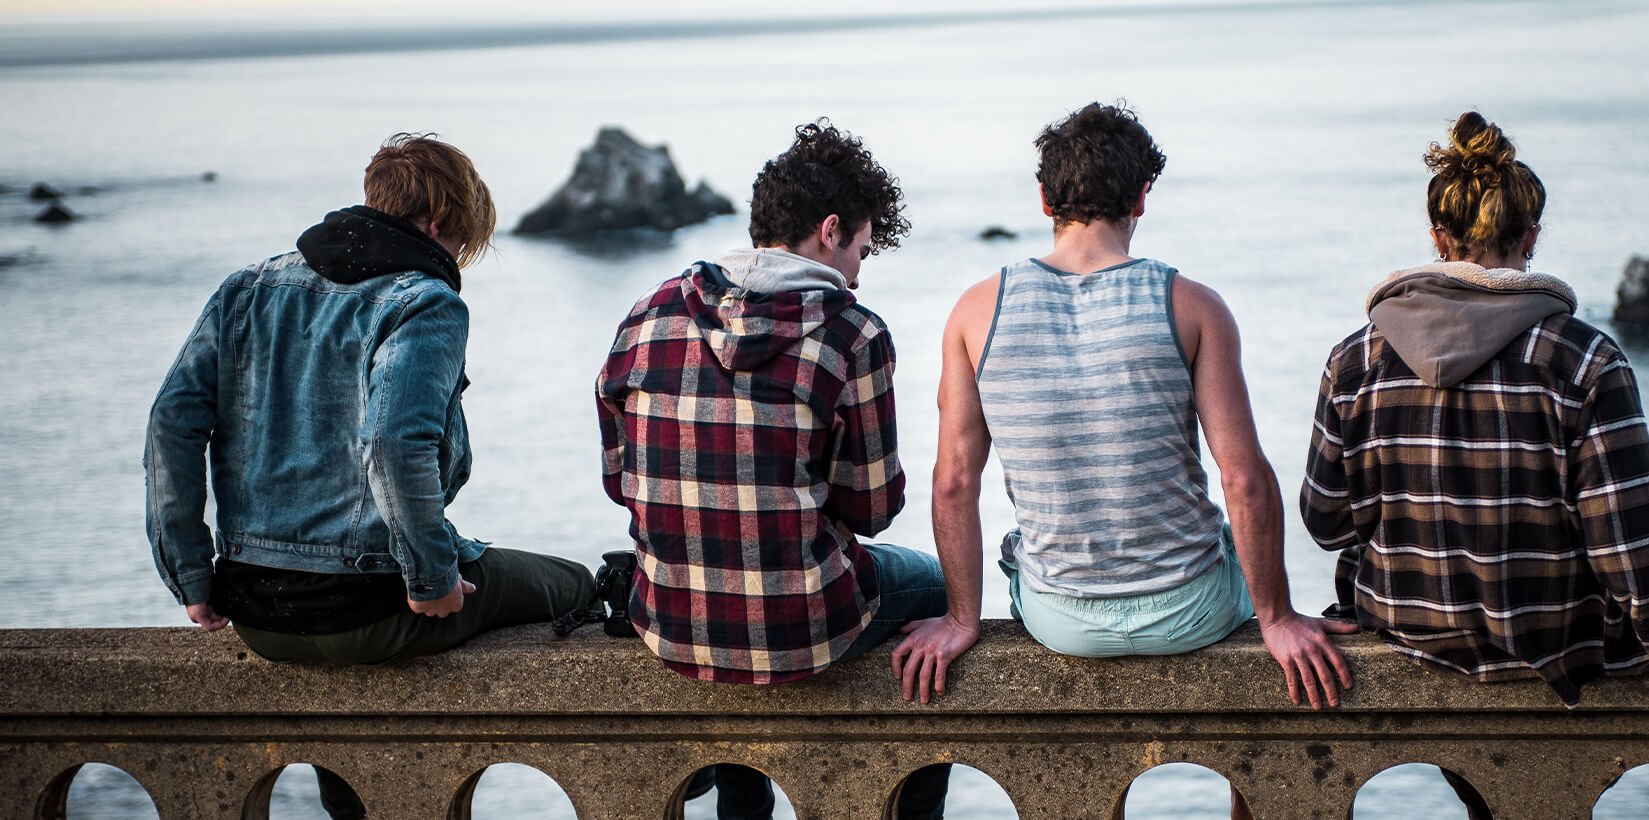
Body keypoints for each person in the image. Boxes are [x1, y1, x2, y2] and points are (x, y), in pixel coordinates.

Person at [146, 133, 596, 818]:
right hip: (370, 605)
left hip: (257, 614)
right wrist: (432, 578)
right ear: (441, 222)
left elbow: (170, 427)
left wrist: (191, 575)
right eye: (462, 245)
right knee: (575, 586)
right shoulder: (423, 301)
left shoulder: (246, 287)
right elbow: (394, 443)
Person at [1300, 111, 1649, 722]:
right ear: (1531, 237)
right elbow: (1631, 548)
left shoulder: (1356, 358)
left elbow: (1326, 523)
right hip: (1559, 651)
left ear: (1439, 238)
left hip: (1405, 638)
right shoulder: (1583, 360)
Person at [893, 102, 1354, 706]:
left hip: (1060, 621)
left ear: (1043, 200)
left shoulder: (976, 312)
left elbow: (954, 482)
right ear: (1141, 198)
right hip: (1193, 608)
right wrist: (1278, 618)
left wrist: (959, 620)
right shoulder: (1191, 305)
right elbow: (1243, 479)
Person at [596, 120, 949, 820]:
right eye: (862, 250)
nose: (857, 271)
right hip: (803, 626)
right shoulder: (853, 333)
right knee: (935, 588)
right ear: (829, 230)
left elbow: (620, 480)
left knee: (725, 567)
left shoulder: (648, 314)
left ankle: (743, 806)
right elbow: (873, 509)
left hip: (671, 615)